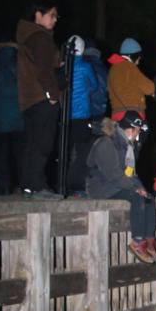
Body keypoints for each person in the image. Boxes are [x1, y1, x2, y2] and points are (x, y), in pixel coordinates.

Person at [85, 111, 156, 263]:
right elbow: (113, 175)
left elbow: (131, 173)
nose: (138, 135)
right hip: (101, 187)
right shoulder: (106, 143)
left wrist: (141, 188)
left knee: (149, 198)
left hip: (117, 184)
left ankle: (149, 240)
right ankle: (137, 242)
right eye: (136, 131)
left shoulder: (127, 147)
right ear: (128, 129)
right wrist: (135, 189)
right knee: (137, 197)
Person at [16, 0, 61, 199]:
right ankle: (38, 186)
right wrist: (52, 95)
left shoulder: (26, 36)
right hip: (41, 97)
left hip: (29, 99)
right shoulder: (41, 38)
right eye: (51, 15)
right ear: (38, 14)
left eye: (56, 16)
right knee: (43, 143)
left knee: (32, 143)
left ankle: (28, 185)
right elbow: (44, 70)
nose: (54, 20)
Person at [0, 38, 24, 194]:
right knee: (20, 153)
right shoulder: (20, 65)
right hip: (18, 117)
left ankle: (3, 187)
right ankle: (23, 185)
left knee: (1, 154)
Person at [67, 35, 100, 193]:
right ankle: (79, 185)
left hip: (66, 113)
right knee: (82, 150)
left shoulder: (64, 65)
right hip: (82, 113)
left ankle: (64, 182)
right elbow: (94, 85)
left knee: (67, 148)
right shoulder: (86, 66)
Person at [107, 37, 155, 120]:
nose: (139, 59)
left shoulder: (113, 69)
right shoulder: (129, 67)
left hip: (116, 114)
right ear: (131, 55)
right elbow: (150, 88)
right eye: (138, 56)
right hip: (132, 114)